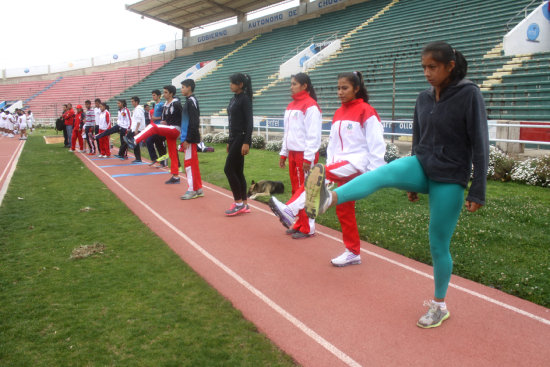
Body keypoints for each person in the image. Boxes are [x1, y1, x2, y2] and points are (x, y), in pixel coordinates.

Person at [303, 42, 489, 329]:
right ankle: (328, 199)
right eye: (424, 67)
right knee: (384, 173)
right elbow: (419, 138)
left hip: (450, 176)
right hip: (422, 164)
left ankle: (439, 305)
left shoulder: (469, 94)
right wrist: (410, 182)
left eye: (433, 67)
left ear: (450, 66)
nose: (427, 73)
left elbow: (480, 142)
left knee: (438, 243)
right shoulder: (424, 98)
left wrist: (478, 188)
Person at [272, 71, 385, 257]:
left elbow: (376, 143)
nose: (340, 92)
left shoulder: (366, 111)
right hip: (340, 164)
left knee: (318, 173)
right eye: (338, 88)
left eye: (345, 88)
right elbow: (332, 143)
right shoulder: (339, 112)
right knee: (343, 208)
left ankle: (290, 209)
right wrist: (331, 162)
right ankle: (353, 252)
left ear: (356, 89)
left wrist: (373, 174)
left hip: (357, 164)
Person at [268, 73, 322, 239]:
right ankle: (299, 223)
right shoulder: (291, 106)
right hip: (292, 153)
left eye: (294, 84)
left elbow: (314, 135)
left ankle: (308, 227)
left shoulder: (311, 106)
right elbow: (288, 133)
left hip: (304, 154)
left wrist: (308, 157)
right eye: (291, 83)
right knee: (296, 189)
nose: (291, 86)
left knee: (306, 191)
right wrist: (283, 153)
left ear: (304, 86)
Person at [126, 85, 182, 184]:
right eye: (163, 92)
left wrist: (184, 133)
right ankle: (175, 176)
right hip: (169, 128)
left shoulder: (176, 103)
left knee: (152, 127)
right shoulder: (166, 104)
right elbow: (166, 119)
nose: (164, 94)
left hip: (175, 129)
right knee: (172, 152)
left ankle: (134, 141)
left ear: (171, 94)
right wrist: (164, 122)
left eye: (165, 92)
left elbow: (181, 118)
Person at [224, 73, 253, 216]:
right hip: (234, 138)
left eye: (233, 82)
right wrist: (230, 141)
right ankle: (245, 204)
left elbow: (249, 123)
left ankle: (239, 203)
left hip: (241, 138)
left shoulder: (245, 100)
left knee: (228, 169)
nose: (230, 85)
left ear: (240, 84)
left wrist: (246, 142)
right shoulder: (233, 99)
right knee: (237, 171)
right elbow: (231, 122)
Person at [178, 79, 203, 200]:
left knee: (189, 165)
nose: (181, 89)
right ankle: (198, 188)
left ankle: (192, 190)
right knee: (193, 164)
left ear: (189, 88)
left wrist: (187, 139)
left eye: (183, 87)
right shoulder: (189, 101)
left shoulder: (191, 101)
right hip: (188, 137)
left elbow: (194, 121)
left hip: (189, 139)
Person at [146, 90, 167, 168]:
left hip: (160, 127)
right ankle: (155, 158)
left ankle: (163, 162)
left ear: (159, 96)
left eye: (154, 95)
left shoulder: (162, 104)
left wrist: (156, 118)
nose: (153, 97)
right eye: (152, 95)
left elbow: (165, 116)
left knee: (160, 145)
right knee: (150, 141)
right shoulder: (156, 104)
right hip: (155, 127)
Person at [126, 96, 146, 163]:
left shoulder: (138, 109)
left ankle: (138, 158)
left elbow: (139, 120)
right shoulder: (136, 109)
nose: (131, 103)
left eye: (132, 101)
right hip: (134, 128)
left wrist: (136, 129)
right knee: (132, 141)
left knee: (129, 139)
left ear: (136, 102)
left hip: (137, 128)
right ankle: (137, 158)